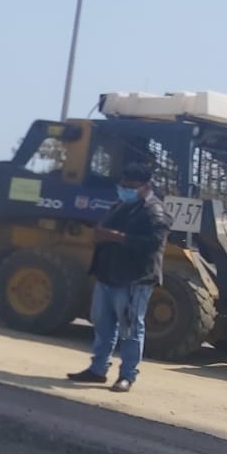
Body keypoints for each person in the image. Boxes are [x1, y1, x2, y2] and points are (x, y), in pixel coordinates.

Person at [67, 163, 172, 393]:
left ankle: (127, 376)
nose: (124, 189)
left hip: (133, 279)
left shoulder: (154, 211)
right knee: (103, 325)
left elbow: (153, 244)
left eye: (130, 186)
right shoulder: (121, 206)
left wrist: (116, 237)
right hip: (108, 275)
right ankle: (97, 369)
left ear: (145, 187)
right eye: (123, 185)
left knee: (131, 329)